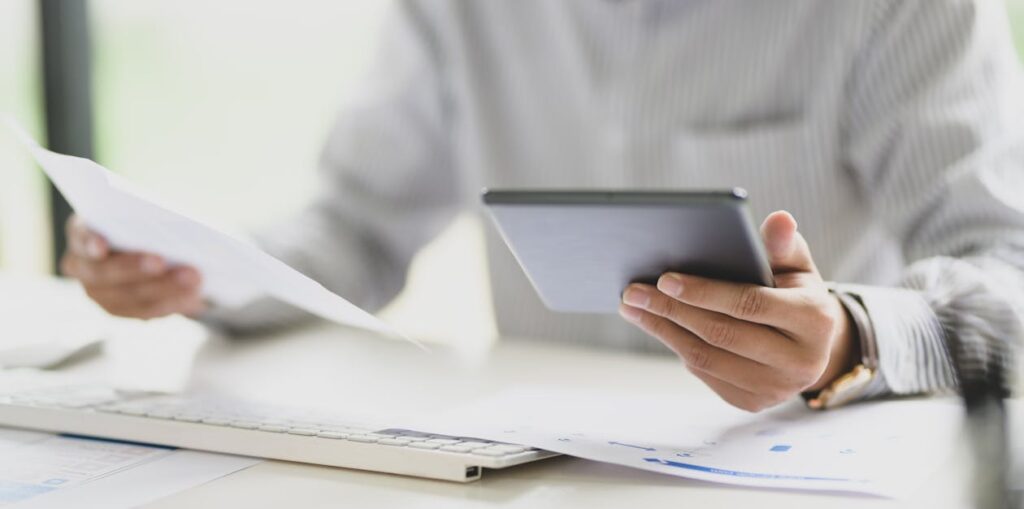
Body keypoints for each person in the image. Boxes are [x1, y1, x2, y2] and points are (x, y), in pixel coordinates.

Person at [62, 0, 1023, 411]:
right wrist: (185, 266)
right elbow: (352, 229)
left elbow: (1010, 269)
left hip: (809, 465)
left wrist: (851, 337)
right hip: (540, 474)